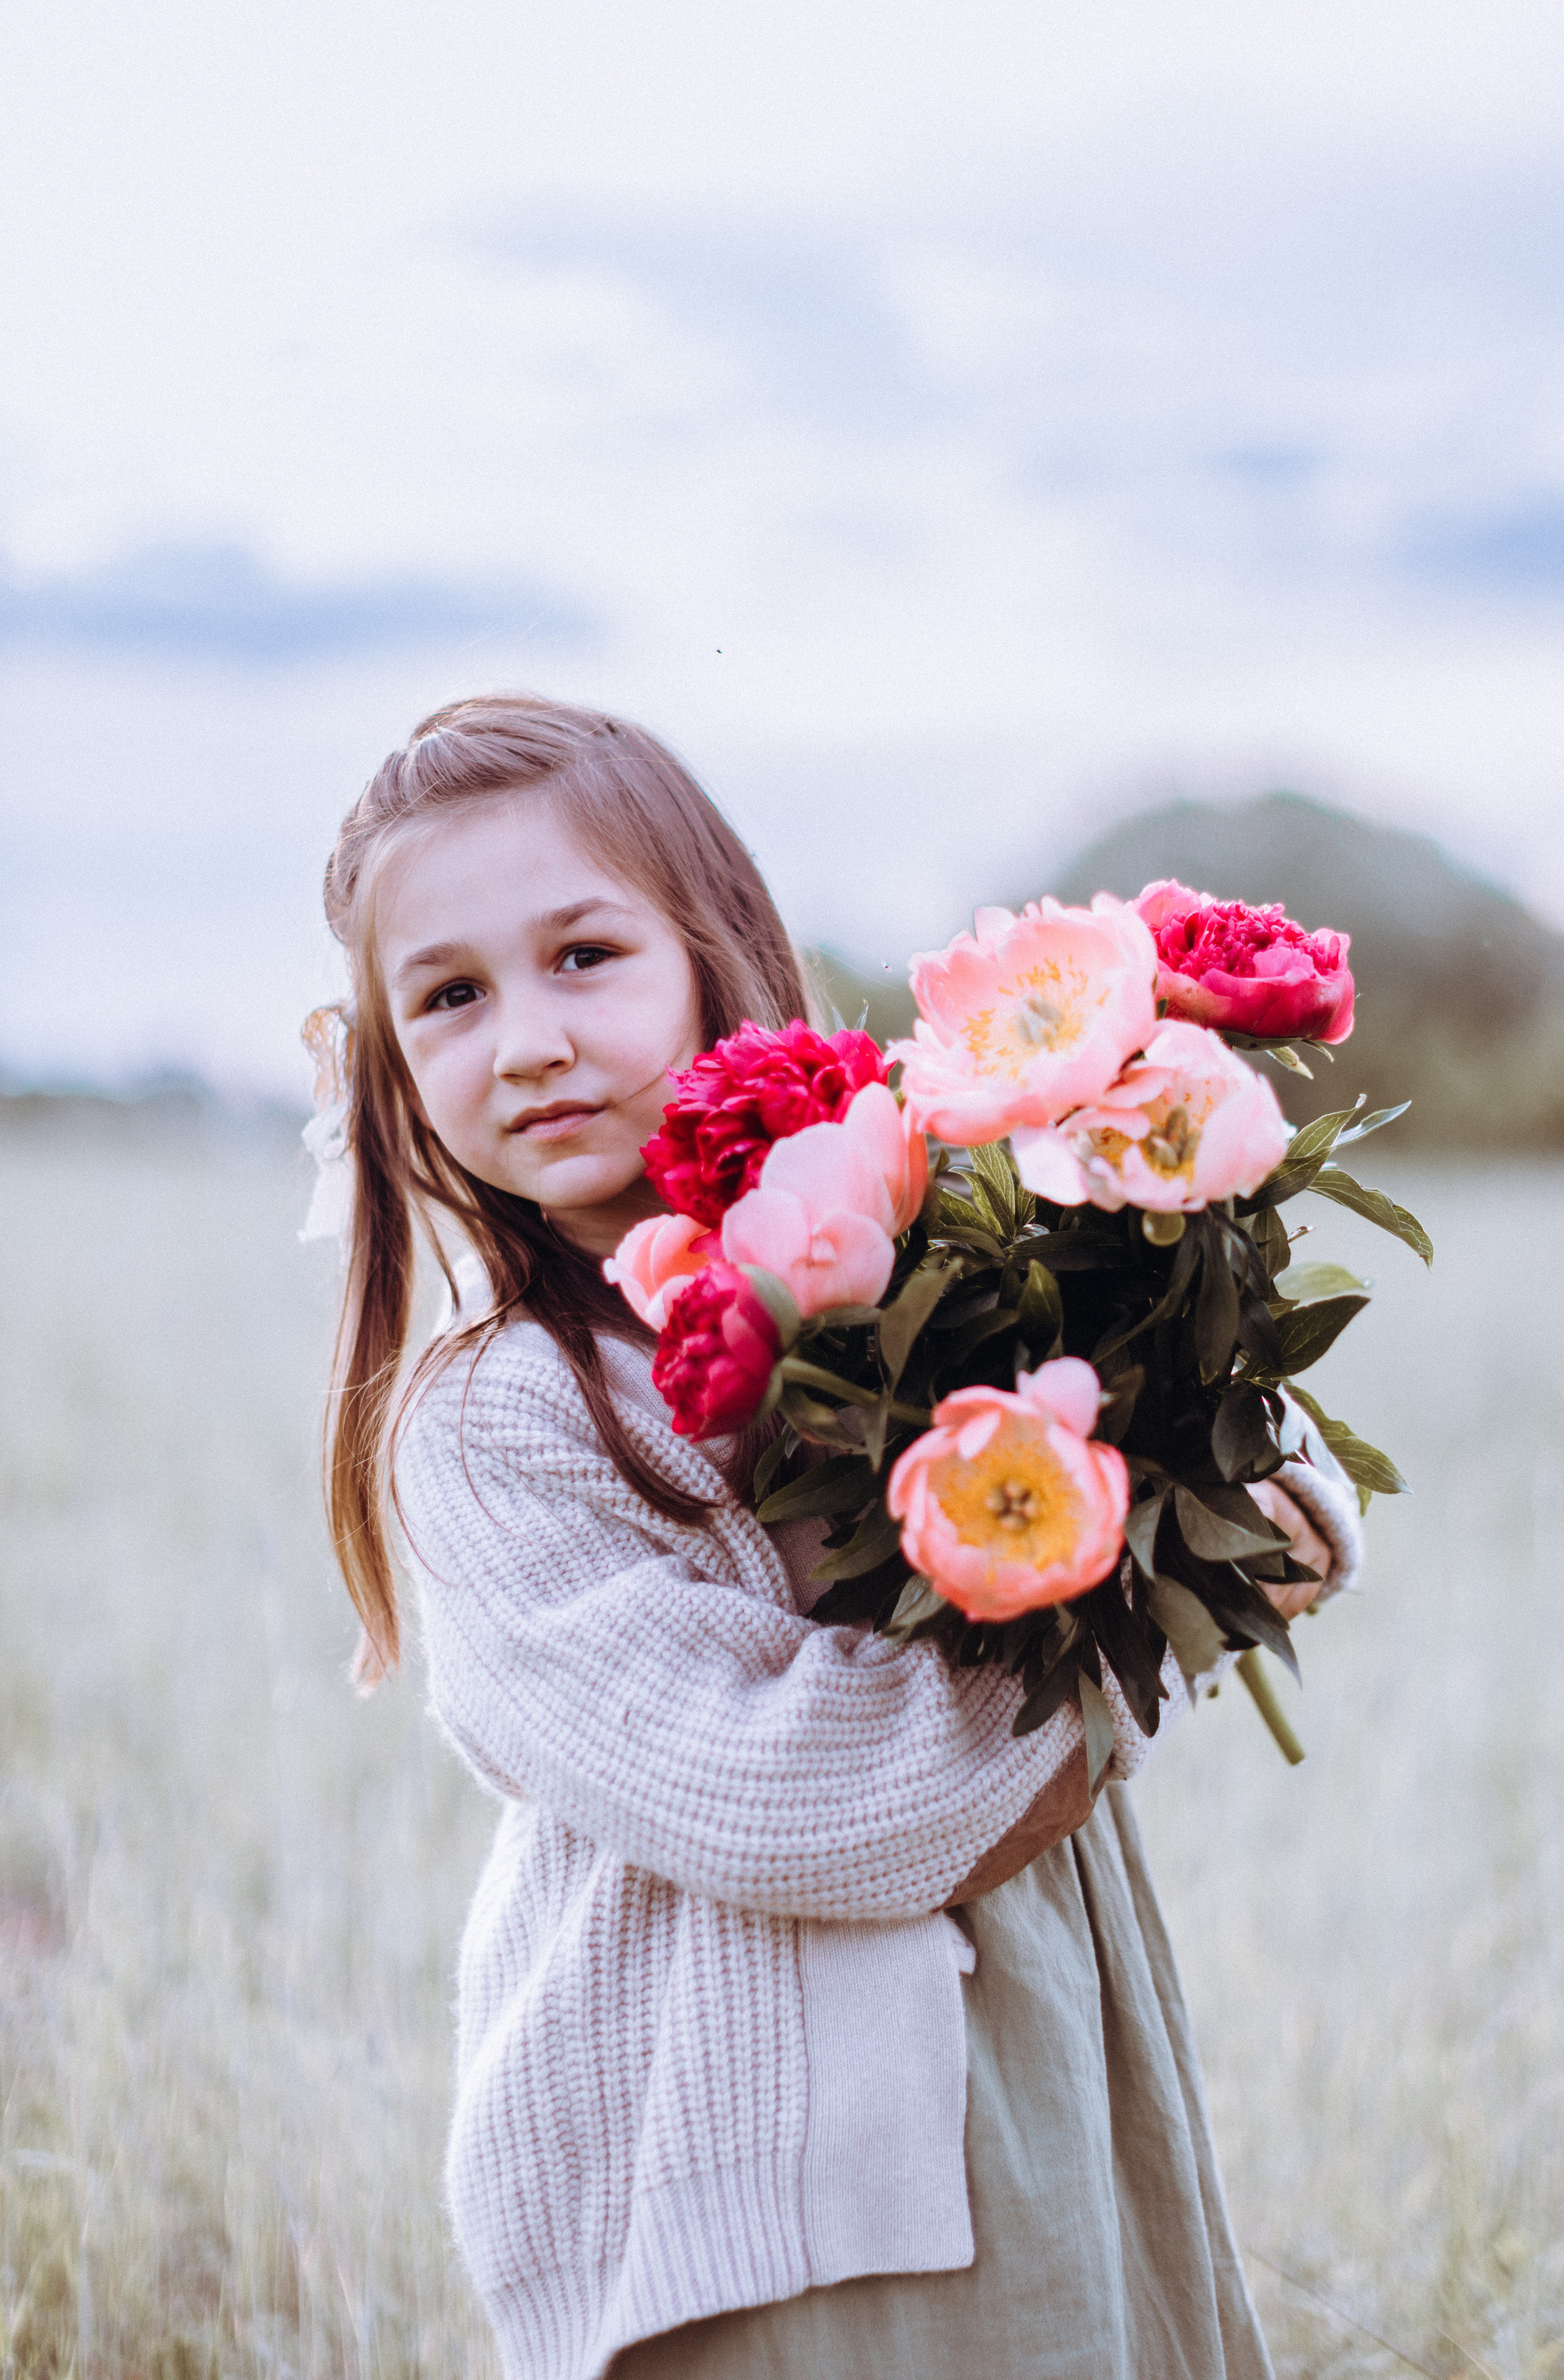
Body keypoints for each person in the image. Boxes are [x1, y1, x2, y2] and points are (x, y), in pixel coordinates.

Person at [309, 692, 1362, 2380]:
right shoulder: (497, 1421)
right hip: (754, 2159)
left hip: (1034, 2065)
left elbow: (1219, 1444)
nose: (523, 1040)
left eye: (583, 954)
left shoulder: (929, 1242)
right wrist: (1130, 1619)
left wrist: (1212, 1424)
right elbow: (795, 1802)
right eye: (448, 996)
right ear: (388, 1064)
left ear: (716, 950)